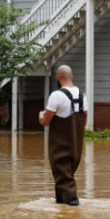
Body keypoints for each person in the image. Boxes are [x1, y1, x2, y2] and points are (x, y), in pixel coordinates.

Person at [38, 64, 86, 206]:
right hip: (76, 147)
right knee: (65, 176)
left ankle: (72, 205)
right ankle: (61, 207)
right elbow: (84, 120)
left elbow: (45, 121)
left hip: (61, 146)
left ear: (59, 77)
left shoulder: (56, 96)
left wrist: (41, 115)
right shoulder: (83, 95)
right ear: (71, 76)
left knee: (64, 178)